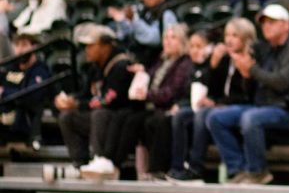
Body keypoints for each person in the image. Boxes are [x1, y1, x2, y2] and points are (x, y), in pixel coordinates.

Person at [206, 4, 289, 185]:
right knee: (215, 117)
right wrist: (246, 75)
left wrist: (251, 69)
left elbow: (281, 83)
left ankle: (258, 172)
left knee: (250, 118)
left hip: (287, 110)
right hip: (261, 106)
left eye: (272, 22)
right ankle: (237, 169)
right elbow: (252, 87)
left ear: (286, 25)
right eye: (263, 23)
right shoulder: (265, 50)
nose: (266, 26)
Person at [167, 22, 256, 184]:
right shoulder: (224, 58)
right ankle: (178, 167)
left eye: (234, 36)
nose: (229, 40)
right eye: (227, 35)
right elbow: (213, 88)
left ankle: (196, 169)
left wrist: (219, 102)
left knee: (203, 115)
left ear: (246, 38)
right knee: (181, 116)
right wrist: (213, 65)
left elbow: (247, 94)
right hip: (221, 104)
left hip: (240, 105)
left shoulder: (251, 57)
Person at [54, 24, 137, 174]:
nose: (87, 50)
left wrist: (78, 104)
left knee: (100, 113)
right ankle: (79, 163)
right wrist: (69, 100)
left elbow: (110, 100)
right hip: (98, 116)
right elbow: (86, 94)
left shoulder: (121, 65)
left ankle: (100, 160)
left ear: (105, 46)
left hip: (118, 119)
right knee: (67, 117)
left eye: (91, 46)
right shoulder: (95, 68)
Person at [128, 23, 194, 179]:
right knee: (131, 119)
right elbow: (150, 79)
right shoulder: (161, 60)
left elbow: (172, 92)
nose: (168, 41)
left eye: (173, 38)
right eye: (165, 38)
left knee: (156, 122)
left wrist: (148, 95)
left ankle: (157, 169)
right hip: (155, 105)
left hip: (172, 106)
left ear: (183, 42)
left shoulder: (184, 63)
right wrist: (142, 73)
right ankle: (135, 168)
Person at [0, 33, 52, 148]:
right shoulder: (10, 67)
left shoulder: (40, 70)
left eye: (24, 45)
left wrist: (4, 92)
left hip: (26, 117)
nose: (20, 49)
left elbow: (33, 95)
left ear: (33, 47)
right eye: (17, 45)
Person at [108, 0, 178, 61]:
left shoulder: (167, 14)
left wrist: (134, 19)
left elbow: (154, 39)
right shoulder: (145, 12)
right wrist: (122, 19)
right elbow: (130, 32)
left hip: (157, 59)